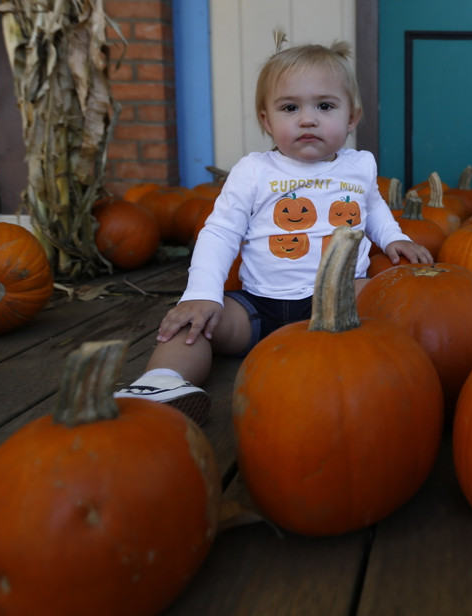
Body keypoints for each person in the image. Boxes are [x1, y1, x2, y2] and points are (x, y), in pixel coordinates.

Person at [113, 34, 433, 424]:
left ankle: (398, 376)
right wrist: (202, 294)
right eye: (290, 107)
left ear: (352, 118)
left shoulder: (358, 166)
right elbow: (220, 232)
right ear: (267, 120)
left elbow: (373, 207)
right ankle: (162, 383)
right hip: (259, 306)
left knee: (391, 307)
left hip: (342, 301)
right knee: (196, 326)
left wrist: (394, 237)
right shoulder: (254, 171)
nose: (308, 118)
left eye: (325, 106)